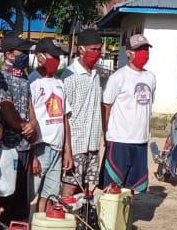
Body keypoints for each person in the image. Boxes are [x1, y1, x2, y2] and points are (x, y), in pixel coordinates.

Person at [101, 33, 156, 194]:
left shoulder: (150, 77)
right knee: (113, 188)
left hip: (140, 141)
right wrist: (106, 134)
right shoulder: (118, 77)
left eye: (146, 49)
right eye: (139, 49)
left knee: (134, 190)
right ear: (129, 53)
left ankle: (125, 218)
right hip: (119, 141)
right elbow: (106, 106)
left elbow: (148, 107)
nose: (143, 53)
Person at [0, 35, 37, 222]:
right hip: (7, 147)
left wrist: (33, 124)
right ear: (8, 54)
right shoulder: (0, 77)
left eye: (27, 52)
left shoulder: (24, 76)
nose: (25, 55)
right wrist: (23, 126)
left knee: (20, 196)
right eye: (22, 52)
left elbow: (29, 105)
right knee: (5, 194)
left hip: (24, 145)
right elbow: (6, 107)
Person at [28, 39, 73, 212]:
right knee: (32, 194)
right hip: (40, 147)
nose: (56, 59)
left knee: (49, 196)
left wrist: (67, 149)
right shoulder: (32, 82)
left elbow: (64, 118)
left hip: (57, 148)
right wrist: (32, 155)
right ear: (40, 57)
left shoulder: (59, 83)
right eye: (52, 56)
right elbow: (29, 118)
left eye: (58, 56)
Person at [60, 28, 104, 197]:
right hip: (76, 144)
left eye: (99, 49)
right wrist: (67, 150)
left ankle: (80, 222)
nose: (97, 53)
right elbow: (65, 115)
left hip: (92, 143)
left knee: (86, 190)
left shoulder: (95, 75)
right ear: (81, 49)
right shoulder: (70, 76)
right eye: (94, 49)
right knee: (70, 187)